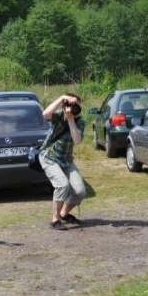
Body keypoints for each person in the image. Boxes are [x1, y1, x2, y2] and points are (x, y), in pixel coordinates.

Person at [40, 93, 87, 230]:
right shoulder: (59, 115)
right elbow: (45, 114)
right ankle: (55, 220)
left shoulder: (80, 121)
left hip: (66, 160)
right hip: (49, 157)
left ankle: (64, 213)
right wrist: (61, 98)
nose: (74, 108)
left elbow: (77, 141)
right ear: (65, 106)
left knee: (80, 192)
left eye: (77, 106)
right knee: (62, 185)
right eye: (71, 105)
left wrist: (71, 119)